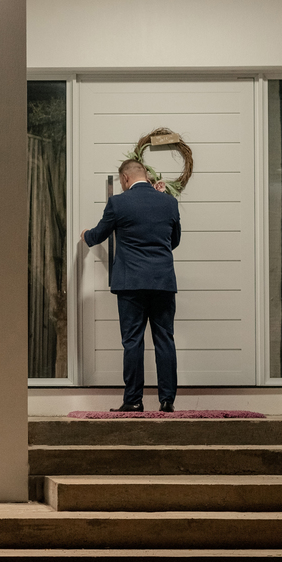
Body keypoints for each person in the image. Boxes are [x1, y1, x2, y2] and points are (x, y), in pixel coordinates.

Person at [81, 159, 182, 412]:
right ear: (145, 175)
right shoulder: (169, 202)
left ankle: (134, 400)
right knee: (165, 339)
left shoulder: (118, 203)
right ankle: (167, 401)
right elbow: (174, 241)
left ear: (125, 178)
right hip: (162, 281)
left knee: (133, 340)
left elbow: (98, 235)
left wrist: (85, 235)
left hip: (131, 283)